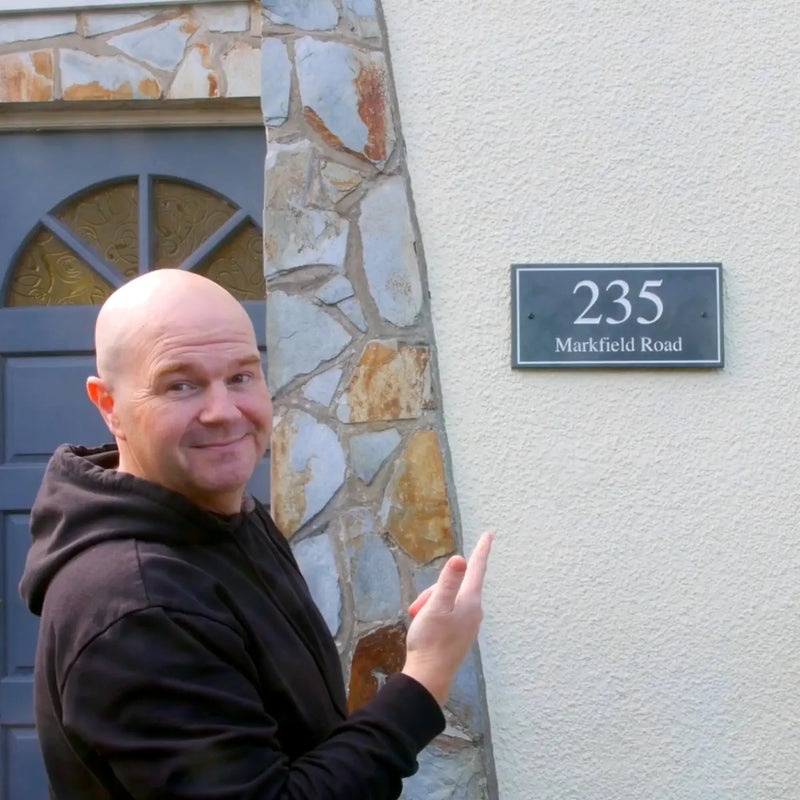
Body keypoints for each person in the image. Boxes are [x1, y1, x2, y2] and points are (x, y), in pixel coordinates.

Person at [19, 269, 492, 800]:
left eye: (241, 376)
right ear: (109, 406)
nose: (224, 412)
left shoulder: (227, 517)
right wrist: (425, 678)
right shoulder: (136, 604)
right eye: (181, 384)